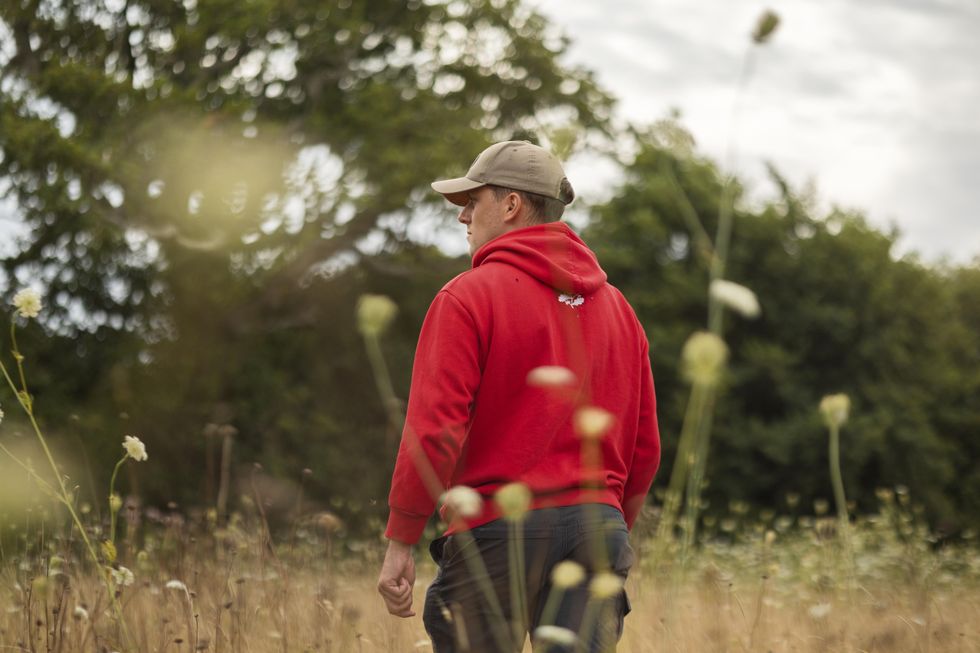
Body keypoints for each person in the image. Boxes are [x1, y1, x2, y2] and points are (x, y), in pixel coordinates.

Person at [377, 140, 661, 652]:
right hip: (598, 530)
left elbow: (435, 430)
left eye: (473, 199)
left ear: (511, 205)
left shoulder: (466, 296)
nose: (463, 215)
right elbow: (644, 447)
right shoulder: (621, 309)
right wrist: (606, 524)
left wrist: (401, 538)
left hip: (495, 534)